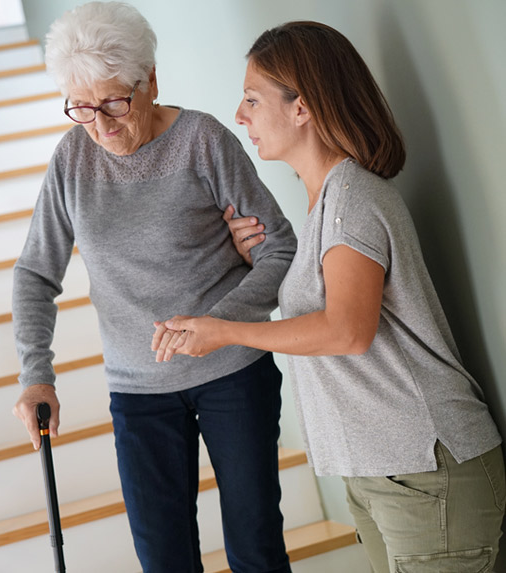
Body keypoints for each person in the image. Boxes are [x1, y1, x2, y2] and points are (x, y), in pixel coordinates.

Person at [155, 21, 506, 573]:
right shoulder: (329, 203)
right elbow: (327, 304)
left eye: (252, 99)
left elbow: (346, 330)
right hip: (385, 470)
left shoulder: (352, 199)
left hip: (424, 466)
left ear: (302, 107)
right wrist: (254, 260)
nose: (240, 115)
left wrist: (223, 332)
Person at [11, 3, 297, 572]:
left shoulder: (202, 140)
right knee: (163, 560)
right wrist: (35, 374)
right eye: (82, 108)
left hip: (233, 373)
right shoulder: (72, 159)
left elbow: (279, 248)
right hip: (137, 391)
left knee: (256, 548)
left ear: (151, 82)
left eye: (115, 103)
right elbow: (34, 274)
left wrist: (218, 325)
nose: (102, 126)